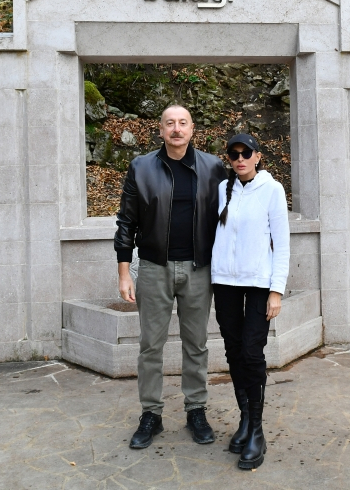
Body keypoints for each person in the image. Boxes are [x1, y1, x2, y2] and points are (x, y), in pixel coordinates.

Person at [114, 105, 227, 449]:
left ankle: (196, 410)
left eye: (182, 123)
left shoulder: (213, 167)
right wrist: (124, 273)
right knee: (151, 345)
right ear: (161, 130)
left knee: (197, 344)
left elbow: (229, 217)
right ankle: (151, 413)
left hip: (199, 269)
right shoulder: (141, 167)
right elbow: (126, 222)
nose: (176, 129)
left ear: (192, 129)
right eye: (170, 124)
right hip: (154, 268)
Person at [210, 133, 290, 470]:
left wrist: (276, 290)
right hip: (225, 282)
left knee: (252, 352)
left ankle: (257, 430)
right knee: (233, 350)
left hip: (259, 283)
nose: (240, 159)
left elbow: (282, 243)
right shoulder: (222, 189)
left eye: (246, 153)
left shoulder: (272, 190)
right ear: (228, 158)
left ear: (257, 156)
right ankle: (244, 419)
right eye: (234, 154)